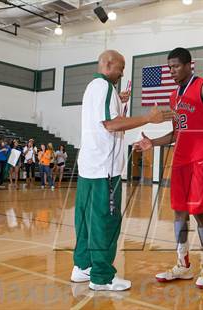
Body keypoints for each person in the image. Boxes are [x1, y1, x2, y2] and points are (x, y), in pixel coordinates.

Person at [70, 50, 174, 291]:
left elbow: (106, 120)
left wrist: (121, 101)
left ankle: (82, 266)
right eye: (121, 67)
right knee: (105, 222)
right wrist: (148, 118)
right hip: (104, 170)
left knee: (85, 221)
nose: (123, 72)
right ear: (108, 64)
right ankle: (102, 277)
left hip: (89, 167)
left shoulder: (95, 87)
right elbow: (111, 124)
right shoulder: (104, 87)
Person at [134, 47, 203, 289]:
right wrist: (152, 142)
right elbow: (176, 133)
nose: (171, 71)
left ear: (188, 65)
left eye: (175, 66)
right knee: (179, 212)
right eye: (169, 67)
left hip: (202, 158)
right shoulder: (173, 96)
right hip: (180, 160)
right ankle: (183, 265)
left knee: (199, 212)